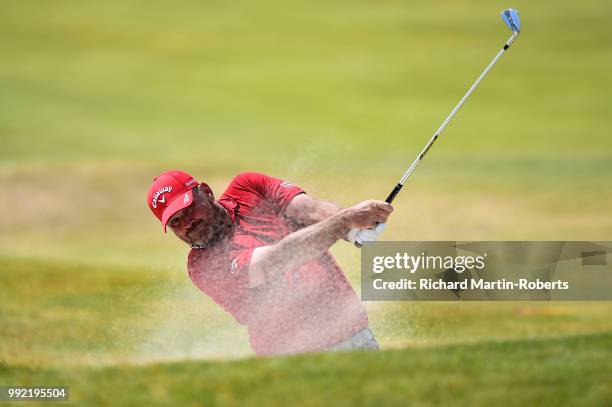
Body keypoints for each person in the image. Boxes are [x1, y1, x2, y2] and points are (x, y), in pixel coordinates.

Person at [146, 170, 392, 355]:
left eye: (188, 210)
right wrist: (346, 221)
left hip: (356, 337)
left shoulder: (248, 187)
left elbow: (309, 210)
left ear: (206, 193)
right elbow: (279, 258)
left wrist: (353, 231)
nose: (187, 223)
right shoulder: (203, 266)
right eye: (175, 222)